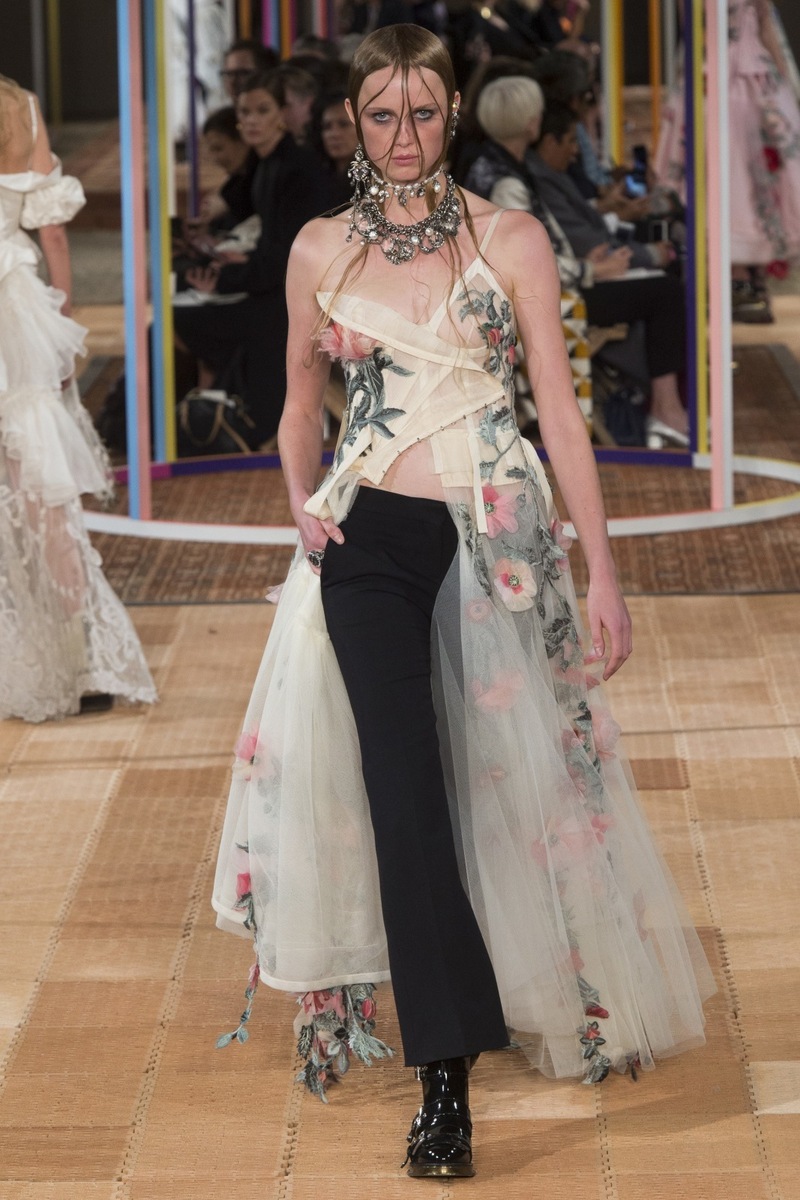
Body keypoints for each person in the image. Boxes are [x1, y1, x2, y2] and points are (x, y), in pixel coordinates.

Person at [212, 26, 714, 1178]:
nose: (403, 136)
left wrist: (603, 572)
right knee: (400, 796)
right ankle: (444, 1079)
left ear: (452, 114)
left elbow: (559, 414)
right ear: (351, 120)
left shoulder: (510, 237)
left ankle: (556, 986)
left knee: (521, 779)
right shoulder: (319, 247)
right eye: (381, 114)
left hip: (498, 536)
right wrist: (300, 506)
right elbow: (295, 402)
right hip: (367, 543)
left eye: (424, 112)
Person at [0, 76, 157, 721]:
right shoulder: (19, 107)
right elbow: (55, 233)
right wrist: (62, 322)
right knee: (44, 492)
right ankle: (84, 658)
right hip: (15, 312)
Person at [173, 71, 331, 447]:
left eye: (263, 110)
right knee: (181, 299)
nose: (252, 121)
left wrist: (228, 277)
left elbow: (288, 258)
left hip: (299, 297)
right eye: (245, 112)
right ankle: (207, 413)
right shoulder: (268, 164)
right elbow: (271, 247)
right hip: (279, 284)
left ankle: (224, 418)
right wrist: (234, 265)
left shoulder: (293, 168)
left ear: (281, 114)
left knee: (183, 316)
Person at [529, 102, 688, 444]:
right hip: (565, 289)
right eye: (571, 140)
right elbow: (568, 246)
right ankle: (665, 406)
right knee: (666, 292)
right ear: (548, 141)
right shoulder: (535, 177)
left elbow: (577, 234)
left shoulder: (546, 174)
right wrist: (599, 265)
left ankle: (669, 399)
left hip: (578, 272)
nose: (575, 150)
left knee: (666, 283)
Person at [655, 0, 800, 322]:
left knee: (741, 177)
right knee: (729, 176)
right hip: (726, 80)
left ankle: (740, 276)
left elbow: (764, 24)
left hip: (736, 78)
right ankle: (734, 277)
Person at [309, 90, 360, 207]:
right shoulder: (313, 177)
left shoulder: (375, 180)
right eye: (327, 127)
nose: (334, 134)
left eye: (343, 124)